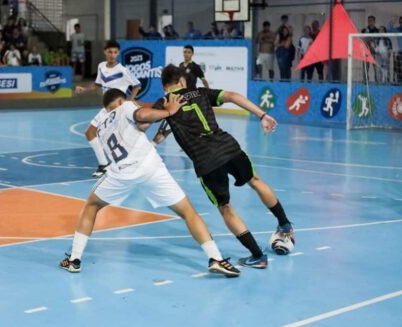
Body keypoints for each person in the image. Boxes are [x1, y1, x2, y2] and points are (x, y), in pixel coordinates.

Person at [60, 89, 240, 277]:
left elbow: (138, 127)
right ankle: (215, 258)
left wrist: (154, 139)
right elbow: (142, 115)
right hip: (150, 167)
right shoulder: (126, 106)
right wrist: (169, 111)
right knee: (188, 212)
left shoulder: (102, 129)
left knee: (92, 205)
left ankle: (74, 260)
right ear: (121, 100)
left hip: (122, 173)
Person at [152, 65, 295, 268]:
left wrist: (160, 124)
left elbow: (142, 122)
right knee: (255, 181)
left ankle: (258, 256)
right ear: (182, 81)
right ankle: (285, 224)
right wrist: (262, 115)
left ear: (164, 86)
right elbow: (234, 96)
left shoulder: (164, 103)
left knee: (225, 208)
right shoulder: (200, 92)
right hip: (228, 147)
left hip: (206, 161)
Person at [75, 40, 141, 178]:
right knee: (90, 133)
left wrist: (130, 100)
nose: (112, 55)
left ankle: (132, 165)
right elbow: (97, 84)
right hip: (107, 109)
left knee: (119, 138)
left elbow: (137, 85)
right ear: (105, 51)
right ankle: (104, 165)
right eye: (110, 52)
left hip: (118, 109)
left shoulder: (122, 70)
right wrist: (84, 89)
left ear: (118, 53)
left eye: (115, 52)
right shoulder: (101, 66)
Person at [361, 16, 379, 82]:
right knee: (365, 68)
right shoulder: (364, 30)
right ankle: (365, 81)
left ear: (374, 22)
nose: (370, 22)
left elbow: (378, 41)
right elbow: (362, 39)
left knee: (376, 69)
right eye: (369, 21)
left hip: (375, 52)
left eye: (371, 21)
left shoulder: (377, 30)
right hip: (366, 52)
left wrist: (372, 40)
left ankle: (377, 82)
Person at [387, 16, 402, 84]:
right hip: (400, 52)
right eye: (401, 22)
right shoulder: (397, 29)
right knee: (398, 69)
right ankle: (399, 82)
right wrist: (393, 21)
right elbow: (388, 29)